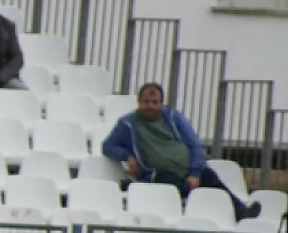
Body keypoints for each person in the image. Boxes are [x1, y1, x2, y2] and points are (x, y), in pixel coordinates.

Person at [102, 83, 258, 219]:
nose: (150, 106)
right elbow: (107, 146)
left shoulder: (173, 118)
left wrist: (195, 173)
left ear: (162, 104)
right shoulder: (127, 123)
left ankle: (241, 211)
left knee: (211, 177)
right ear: (139, 103)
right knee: (173, 181)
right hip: (157, 173)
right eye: (146, 102)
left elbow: (195, 145)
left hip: (189, 170)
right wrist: (127, 156)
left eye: (155, 102)